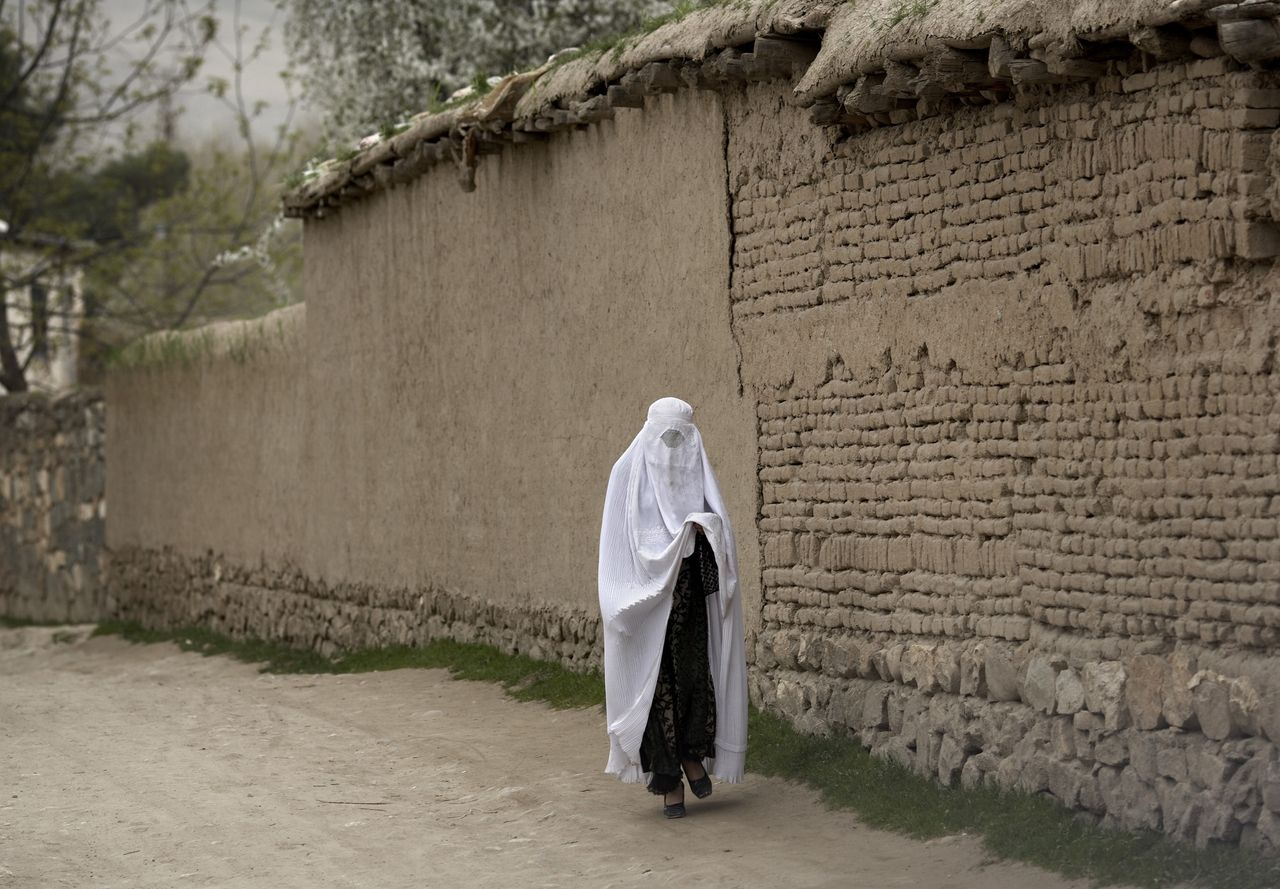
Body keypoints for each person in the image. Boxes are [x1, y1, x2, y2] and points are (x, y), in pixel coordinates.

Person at [597, 396, 747, 818]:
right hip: (643, 606)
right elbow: (614, 551)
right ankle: (668, 777)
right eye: (665, 439)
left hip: (689, 596)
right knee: (655, 686)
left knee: (693, 677)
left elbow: (719, 535)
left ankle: (691, 755)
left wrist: (706, 530)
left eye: (682, 440)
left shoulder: (697, 469)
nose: (673, 451)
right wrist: (623, 601)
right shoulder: (626, 474)